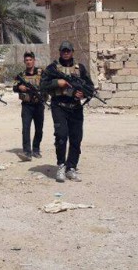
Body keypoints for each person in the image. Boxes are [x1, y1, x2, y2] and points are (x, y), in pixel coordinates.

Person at [40, 41, 94, 183]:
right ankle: (61, 165)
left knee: (76, 139)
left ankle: (71, 167)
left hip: (75, 107)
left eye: (68, 50)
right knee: (61, 136)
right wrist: (58, 83)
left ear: (72, 52)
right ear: (60, 52)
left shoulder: (80, 68)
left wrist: (83, 95)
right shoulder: (52, 68)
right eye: (63, 50)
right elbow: (43, 85)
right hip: (59, 106)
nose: (66, 53)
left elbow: (89, 87)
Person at [12, 52, 46, 160]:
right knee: (26, 129)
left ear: (34, 60)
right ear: (24, 62)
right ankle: (27, 151)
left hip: (39, 104)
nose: (28, 62)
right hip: (27, 106)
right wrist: (19, 88)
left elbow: (48, 84)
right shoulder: (21, 75)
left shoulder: (41, 73)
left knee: (39, 129)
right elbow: (14, 87)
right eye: (26, 60)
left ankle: (36, 149)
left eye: (30, 60)